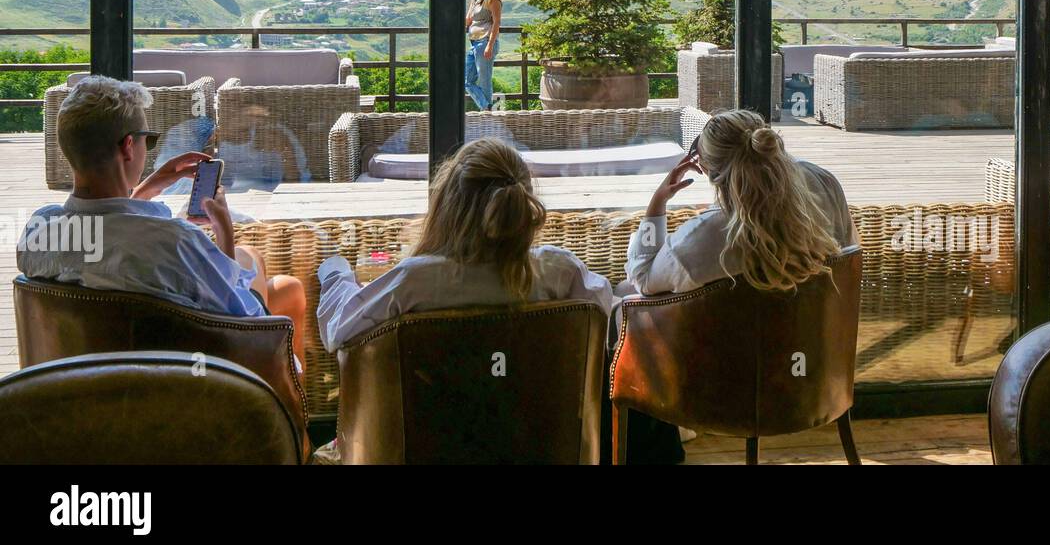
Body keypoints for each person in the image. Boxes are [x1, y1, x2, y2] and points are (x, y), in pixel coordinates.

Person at [19, 76, 307, 365]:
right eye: (149, 140)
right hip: (193, 383)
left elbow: (108, 237)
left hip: (86, 380)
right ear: (128, 147)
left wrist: (144, 192)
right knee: (280, 285)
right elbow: (238, 320)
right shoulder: (175, 242)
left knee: (281, 284)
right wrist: (225, 232)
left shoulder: (38, 232)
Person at [316, 137, 611, 352]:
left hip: (425, 438)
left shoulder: (414, 281)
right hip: (540, 436)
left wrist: (335, 272)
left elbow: (339, 331)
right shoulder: (559, 271)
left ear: (448, 204)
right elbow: (606, 313)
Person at [625, 108, 855, 296]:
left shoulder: (701, 238)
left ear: (707, 169)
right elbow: (847, 255)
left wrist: (657, 203)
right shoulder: (823, 182)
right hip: (811, 341)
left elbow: (643, 278)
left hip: (724, 351)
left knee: (623, 292)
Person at [464, 0, 502, 110]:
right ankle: (487, 108)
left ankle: (487, 113)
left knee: (485, 81)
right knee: (467, 81)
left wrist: (490, 45)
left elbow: (496, 22)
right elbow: (468, 20)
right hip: (474, 43)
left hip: (485, 42)